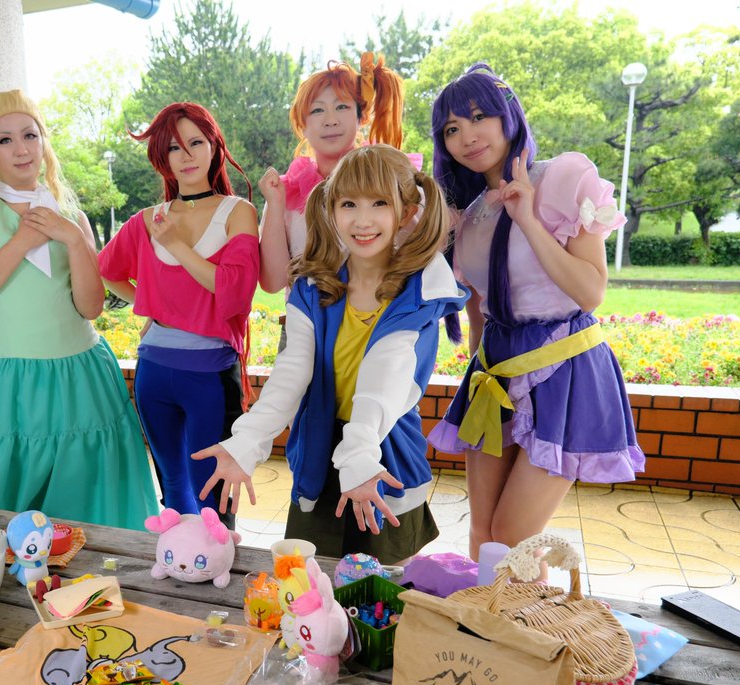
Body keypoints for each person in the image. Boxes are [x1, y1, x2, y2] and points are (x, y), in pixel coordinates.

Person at [195, 145, 467, 562]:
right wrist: (246, 441)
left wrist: (359, 456)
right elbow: (292, 371)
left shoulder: (420, 292)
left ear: (407, 211)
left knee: (383, 586)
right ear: (331, 209)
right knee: (308, 579)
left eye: (379, 203)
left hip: (384, 449)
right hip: (319, 451)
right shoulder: (313, 286)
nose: (362, 220)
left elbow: (387, 377)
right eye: (349, 204)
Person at [425, 63, 644, 562]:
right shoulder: (469, 214)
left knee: (511, 535)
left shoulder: (563, 178)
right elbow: (479, 311)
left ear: (508, 115)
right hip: (494, 372)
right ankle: (497, 614)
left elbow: (590, 291)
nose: (466, 136)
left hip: (564, 368)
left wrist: (526, 217)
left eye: (478, 117)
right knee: (483, 534)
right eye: (451, 129)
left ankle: (520, 612)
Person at [0, 89, 157, 529]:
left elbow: (91, 307)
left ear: (44, 142)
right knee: (5, 510)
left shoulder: (72, 217)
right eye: (5, 140)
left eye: (30, 135)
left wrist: (74, 239)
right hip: (9, 385)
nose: (21, 149)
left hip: (80, 378)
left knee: (88, 506)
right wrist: (23, 241)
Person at [99, 102, 259, 525]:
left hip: (210, 372)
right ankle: (178, 558)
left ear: (214, 147)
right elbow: (107, 270)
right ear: (162, 158)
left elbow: (235, 290)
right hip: (153, 369)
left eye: (196, 143)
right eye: (174, 147)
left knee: (212, 492)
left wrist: (175, 246)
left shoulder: (237, 211)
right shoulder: (147, 220)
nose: (186, 156)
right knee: (172, 490)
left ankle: (218, 559)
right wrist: (150, 306)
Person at [258, 54, 405, 295]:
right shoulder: (285, 193)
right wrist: (275, 204)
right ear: (302, 124)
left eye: (342, 106)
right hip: (304, 317)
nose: (330, 120)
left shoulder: (388, 180)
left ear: (361, 117)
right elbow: (273, 283)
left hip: (379, 315)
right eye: (317, 110)